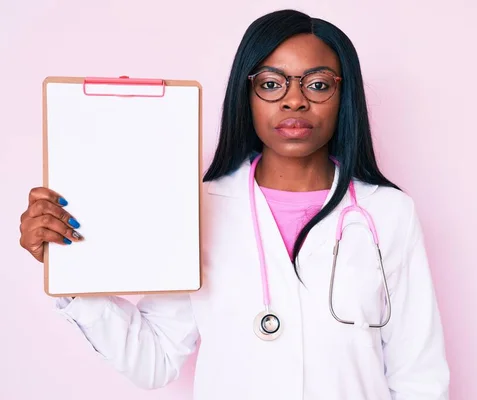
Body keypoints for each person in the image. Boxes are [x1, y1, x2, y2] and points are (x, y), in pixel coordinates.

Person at [18, 9, 450, 400]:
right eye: (270, 83)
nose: (294, 99)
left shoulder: (388, 213)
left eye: (318, 84)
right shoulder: (200, 207)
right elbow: (153, 360)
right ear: (247, 94)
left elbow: (419, 376)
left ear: (344, 95)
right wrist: (71, 274)